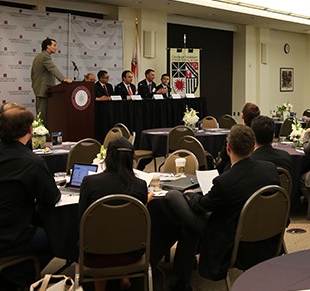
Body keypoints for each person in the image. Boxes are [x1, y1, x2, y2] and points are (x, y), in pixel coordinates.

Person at [160, 125, 279, 290]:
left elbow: (203, 206)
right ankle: (183, 275)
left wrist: (191, 195)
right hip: (263, 231)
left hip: (228, 235)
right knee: (189, 226)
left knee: (173, 196)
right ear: (253, 147)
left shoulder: (225, 181)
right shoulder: (270, 169)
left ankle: (182, 277)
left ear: (228, 147)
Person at [0, 105, 61, 288]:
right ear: (30, 130)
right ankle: (21, 276)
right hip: (12, 234)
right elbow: (52, 197)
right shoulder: (31, 162)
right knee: (58, 238)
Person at [78, 137, 149, 291]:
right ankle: (124, 275)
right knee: (122, 229)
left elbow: (81, 219)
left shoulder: (90, 182)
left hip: (94, 254)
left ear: (107, 157)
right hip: (132, 252)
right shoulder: (140, 185)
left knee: (98, 234)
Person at [30, 37, 72, 125]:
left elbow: (32, 74)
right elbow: (52, 68)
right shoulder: (45, 56)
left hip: (40, 89)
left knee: (42, 115)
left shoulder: (39, 56)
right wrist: (63, 79)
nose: (56, 47)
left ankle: (43, 135)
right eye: (54, 45)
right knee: (42, 116)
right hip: (43, 90)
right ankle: (41, 136)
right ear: (48, 46)